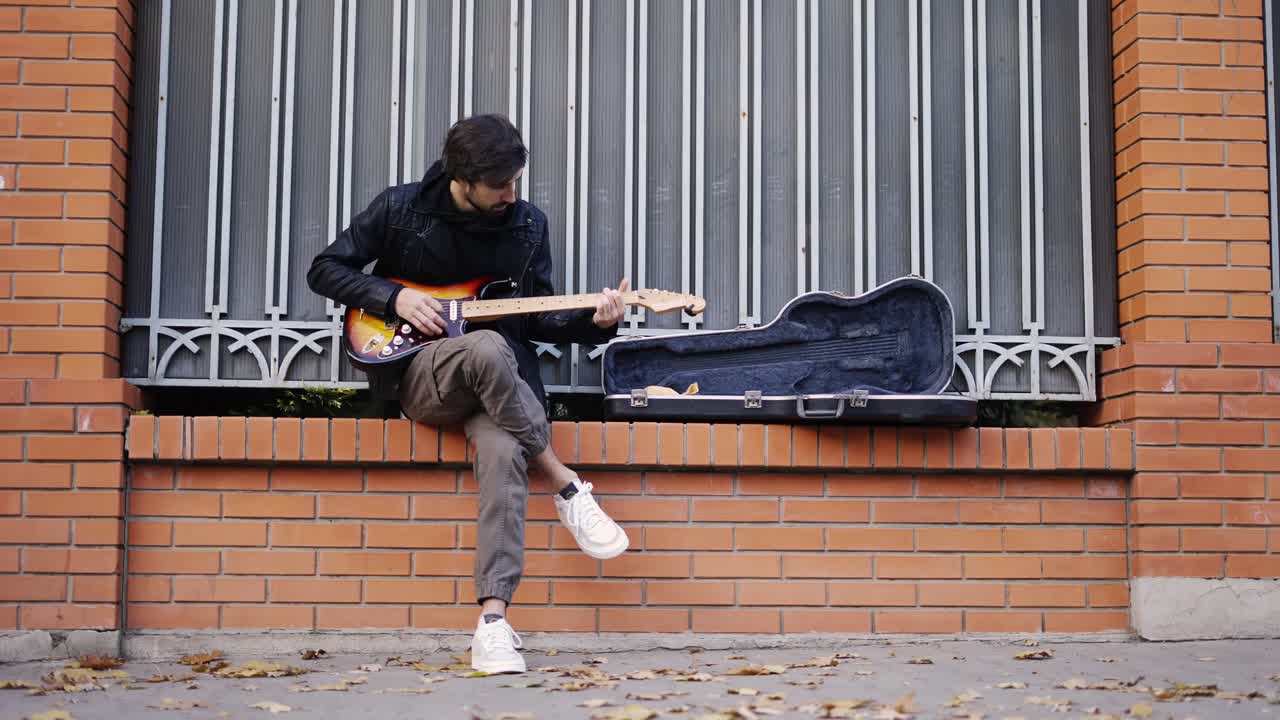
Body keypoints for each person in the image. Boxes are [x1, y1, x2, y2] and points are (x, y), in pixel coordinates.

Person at [307, 113, 629, 674]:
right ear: (462, 179)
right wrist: (393, 299)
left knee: (505, 451)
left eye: (515, 182)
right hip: (423, 374)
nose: (511, 194)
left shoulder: (528, 225)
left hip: (499, 393)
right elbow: (326, 268)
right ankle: (568, 486)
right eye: (499, 186)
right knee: (485, 347)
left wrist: (598, 323)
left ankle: (493, 626)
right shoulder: (400, 208)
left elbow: (537, 320)